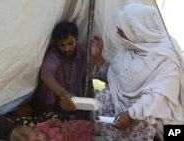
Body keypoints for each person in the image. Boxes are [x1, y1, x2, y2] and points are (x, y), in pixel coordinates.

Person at [91, 3, 184, 141]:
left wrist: (130, 115)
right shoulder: (128, 49)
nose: (117, 33)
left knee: (147, 118)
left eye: (120, 30)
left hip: (155, 117)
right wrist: (98, 56)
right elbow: (114, 79)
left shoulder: (166, 55)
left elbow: (158, 96)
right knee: (102, 97)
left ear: (136, 30)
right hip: (127, 111)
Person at [32, 21, 90, 118]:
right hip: (52, 107)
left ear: (76, 39)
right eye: (62, 45)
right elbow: (46, 74)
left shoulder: (84, 53)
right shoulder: (53, 53)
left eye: (70, 43)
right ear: (56, 44)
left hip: (76, 105)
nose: (67, 48)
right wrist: (63, 94)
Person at [10, 118, 94, 141]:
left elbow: (53, 122)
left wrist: (63, 126)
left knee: (96, 128)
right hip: (78, 139)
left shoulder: (40, 127)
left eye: (37, 134)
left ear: (33, 129)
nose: (41, 139)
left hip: (74, 127)